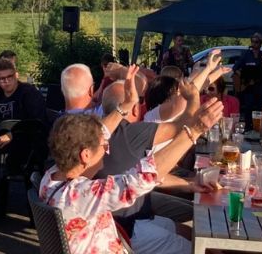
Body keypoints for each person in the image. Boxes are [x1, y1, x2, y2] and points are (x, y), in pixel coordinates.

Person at [39, 97, 221, 254]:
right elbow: (142, 178)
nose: (107, 150)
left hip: (119, 236)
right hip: (121, 243)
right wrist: (194, 131)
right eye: (104, 146)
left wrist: (123, 107)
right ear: (85, 155)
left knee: (189, 235)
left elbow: (99, 132)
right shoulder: (81, 195)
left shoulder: (51, 177)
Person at [0, 59, 45, 126]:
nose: (6, 81)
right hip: (1, 131)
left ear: (16, 75)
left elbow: (37, 122)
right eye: (2, 78)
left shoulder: (30, 93)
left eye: (9, 77)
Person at [232, 33, 262, 115]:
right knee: (248, 107)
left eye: (256, 42)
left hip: (261, 86)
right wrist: (242, 76)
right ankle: (248, 123)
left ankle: (259, 123)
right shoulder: (246, 54)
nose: (254, 44)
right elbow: (235, 68)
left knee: (260, 108)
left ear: (261, 43)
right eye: (252, 41)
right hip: (248, 86)